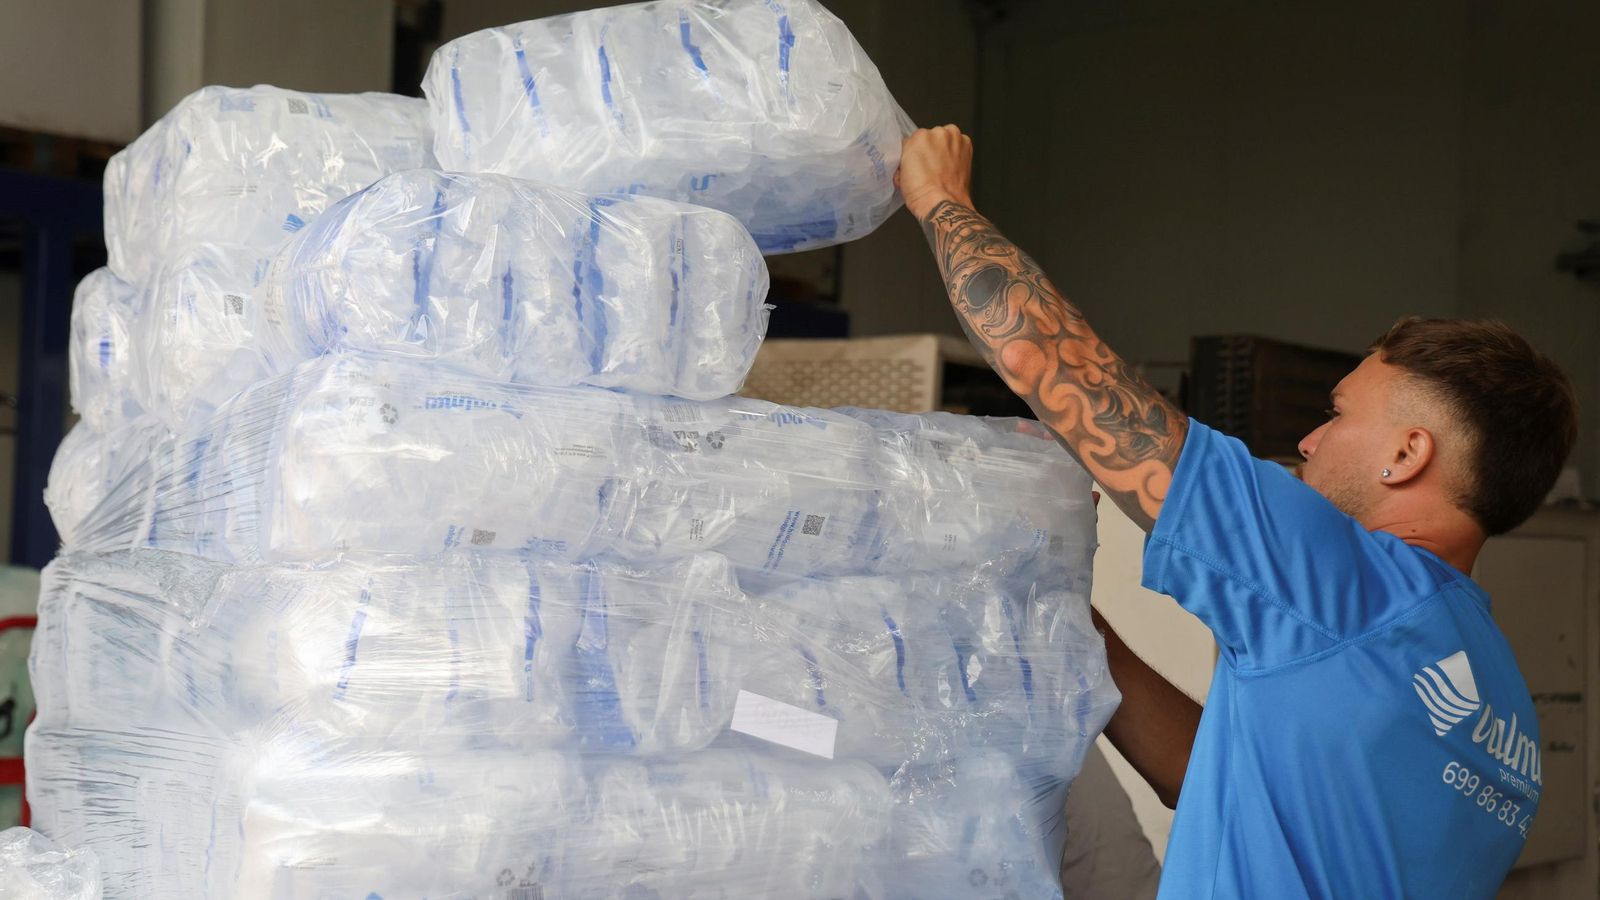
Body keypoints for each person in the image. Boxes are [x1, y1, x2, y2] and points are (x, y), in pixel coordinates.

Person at [895, 124, 1577, 898]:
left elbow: (1052, 364)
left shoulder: (1350, 587)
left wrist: (940, 199)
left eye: (1339, 414)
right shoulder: (1500, 701)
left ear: (1406, 455)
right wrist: (1073, 622)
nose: (1311, 440)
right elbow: (1216, 779)